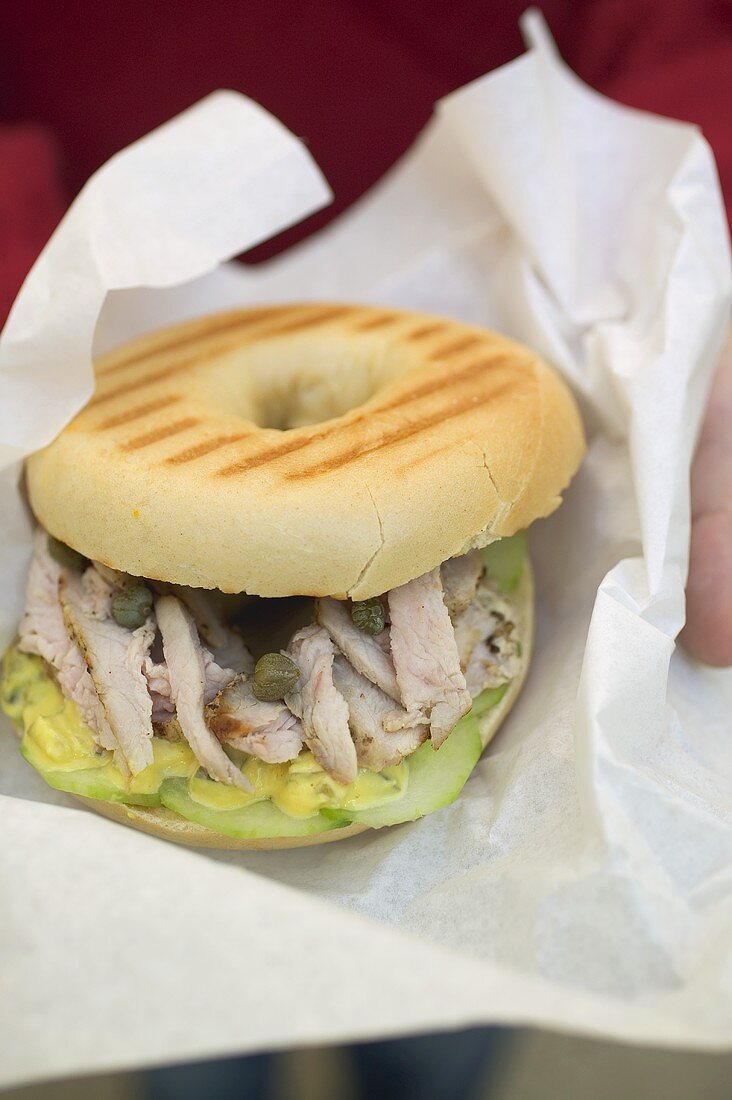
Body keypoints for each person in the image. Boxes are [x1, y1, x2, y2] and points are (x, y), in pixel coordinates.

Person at [0, 3, 729, 1097]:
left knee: (439, 1038)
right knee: (189, 1038)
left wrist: (700, 249)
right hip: (109, 369)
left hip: (459, 371)